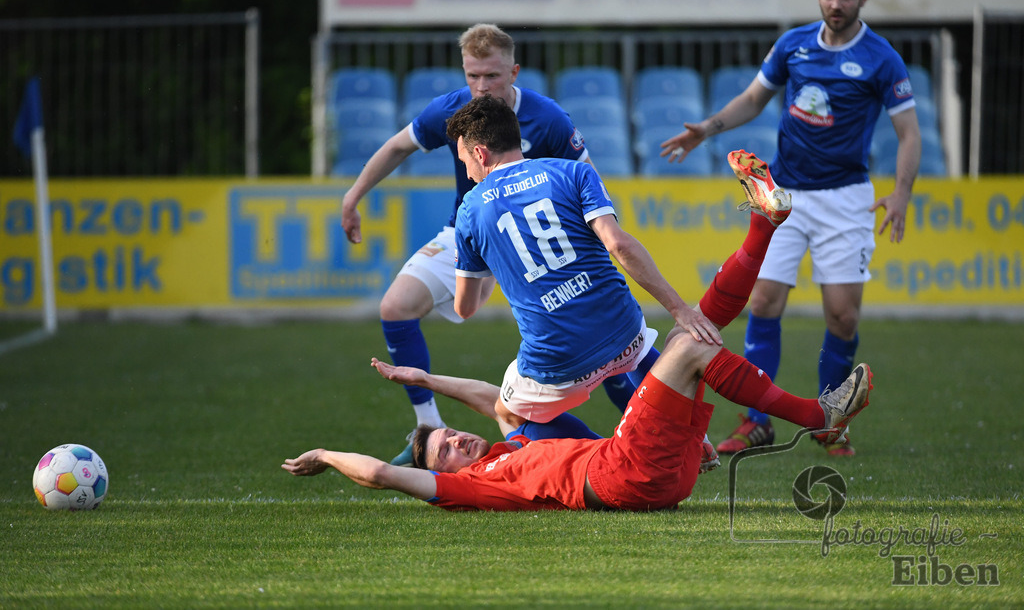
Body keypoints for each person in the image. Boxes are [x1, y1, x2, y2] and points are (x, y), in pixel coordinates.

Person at [282, 180, 875, 510]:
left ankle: (763, 226)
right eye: (446, 450)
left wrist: (429, 381)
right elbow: (386, 477)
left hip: (654, 478)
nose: (458, 442)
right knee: (690, 346)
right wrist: (329, 456)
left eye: (449, 436)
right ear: (441, 476)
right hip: (623, 474)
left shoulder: (506, 444)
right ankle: (817, 417)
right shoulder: (470, 487)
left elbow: (493, 400)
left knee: (688, 332)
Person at [660, 0, 921, 457]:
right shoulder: (794, 45)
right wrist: (706, 129)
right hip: (784, 196)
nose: (836, 4)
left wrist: (903, 192)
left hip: (845, 199)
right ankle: (757, 421)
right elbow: (754, 98)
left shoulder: (882, 58)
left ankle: (830, 419)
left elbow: (908, 133)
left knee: (842, 317)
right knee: (763, 303)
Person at [340, 24, 629, 463]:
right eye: (472, 76)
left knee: (597, 336)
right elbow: (399, 146)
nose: (481, 87)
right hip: (472, 234)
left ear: (513, 72)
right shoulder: (456, 111)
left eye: (491, 76)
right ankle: (428, 424)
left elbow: (588, 187)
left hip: (541, 244)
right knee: (394, 308)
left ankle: (643, 427)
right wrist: (353, 195)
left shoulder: (548, 119)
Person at [445, 95, 722, 435]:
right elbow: (619, 244)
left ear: (480, 154)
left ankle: (599, 456)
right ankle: (694, 434)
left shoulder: (470, 209)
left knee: (507, 414)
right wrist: (680, 310)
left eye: (465, 163)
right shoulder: (574, 171)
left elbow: (466, 307)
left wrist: (494, 267)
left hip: (556, 360)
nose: (469, 176)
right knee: (634, 348)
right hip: (624, 332)